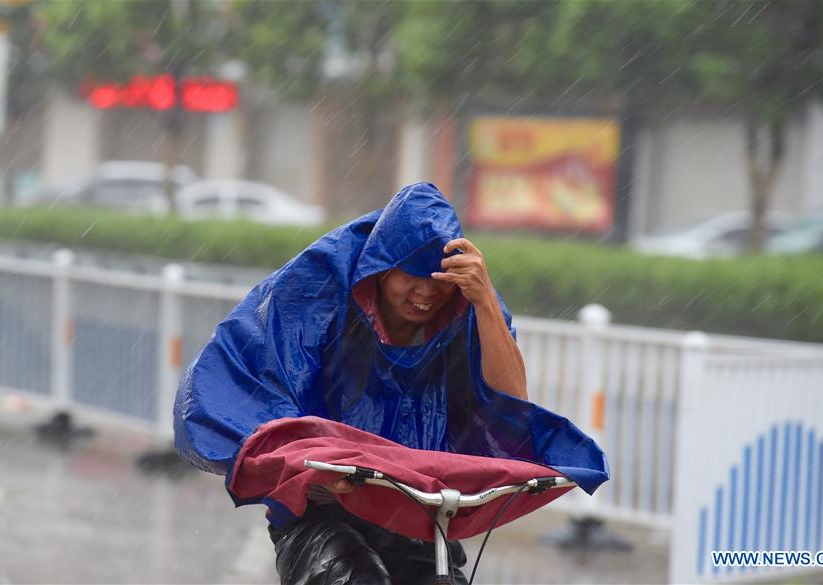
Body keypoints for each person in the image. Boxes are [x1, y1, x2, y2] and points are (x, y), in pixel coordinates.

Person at [174, 183, 608, 584]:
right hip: (322, 508)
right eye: (408, 277)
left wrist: (486, 301)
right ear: (378, 270)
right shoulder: (320, 287)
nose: (424, 293)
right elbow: (249, 379)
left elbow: (512, 411)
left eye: (436, 280)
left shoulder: (469, 305)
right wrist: (305, 462)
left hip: (415, 511)